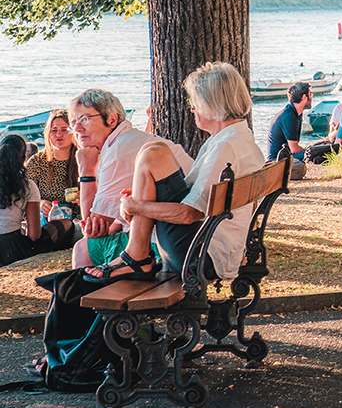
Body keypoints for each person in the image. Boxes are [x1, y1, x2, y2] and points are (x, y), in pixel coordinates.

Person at [82, 62, 265, 283]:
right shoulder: (237, 138)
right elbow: (191, 191)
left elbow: (189, 214)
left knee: (154, 153)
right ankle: (136, 255)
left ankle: (135, 256)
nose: (192, 108)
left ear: (211, 103)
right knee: (153, 152)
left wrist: (135, 205)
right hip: (214, 245)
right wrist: (144, 194)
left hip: (202, 255)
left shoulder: (225, 146)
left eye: (194, 101)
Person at [69, 89, 193, 270]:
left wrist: (86, 169)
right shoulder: (130, 139)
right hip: (187, 234)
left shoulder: (118, 152)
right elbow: (108, 225)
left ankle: (87, 296)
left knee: (83, 247)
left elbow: (90, 227)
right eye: (73, 123)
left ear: (111, 119)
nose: (78, 129)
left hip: (171, 243)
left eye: (85, 119)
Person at [0, 134, 49, 266]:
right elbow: (34, 235)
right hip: (12, 249)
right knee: (62, 227)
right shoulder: (28, 186)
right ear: (23, 159)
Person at [25, 110, 79, 221]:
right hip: (47, 224)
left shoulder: (84, 159)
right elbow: (22, 196)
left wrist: (85, 197)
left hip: (80, 223)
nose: (59, 135)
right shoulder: (37, 162)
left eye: (64, 130)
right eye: (54, 130)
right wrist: (39, 203)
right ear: (47, 133)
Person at [266, 83, 313, 163]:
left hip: (286, 155)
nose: (311, 98)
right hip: (277, 161)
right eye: (310, 95)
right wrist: (309, 151)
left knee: (316, 151)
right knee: (314, 154)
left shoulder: (296, 113)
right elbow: (294, 149)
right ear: (304, 97)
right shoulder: (289, 116)